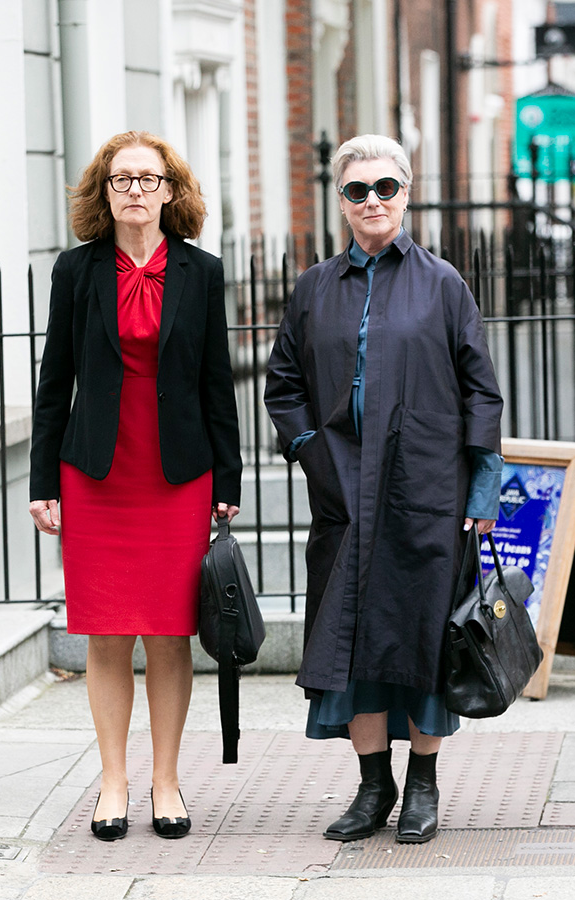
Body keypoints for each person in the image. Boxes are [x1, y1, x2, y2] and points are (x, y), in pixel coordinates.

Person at [264, 134, 503, 845]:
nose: (373, 201)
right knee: (351, 643)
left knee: (424, 640)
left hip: (426, 493)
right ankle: (374, 787)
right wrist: (309, 449)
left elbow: (481, 394)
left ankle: (423, 789)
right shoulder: (313, 289)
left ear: (407, 191)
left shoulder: (443, 285)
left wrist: (481, 495)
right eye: (357, 190)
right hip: (342, 494)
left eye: (386, 188)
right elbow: (284, 386)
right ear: (340, 200)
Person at [29, 130, 242, 842]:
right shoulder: (75, 271)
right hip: (96, 471)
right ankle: (114, 779)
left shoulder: (202, 272)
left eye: (149, 180)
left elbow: (218, 382)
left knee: (171, 632)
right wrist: (40, 481)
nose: (136, 192)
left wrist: (228, 476)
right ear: (104, 192)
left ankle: (167, 780)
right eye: (122, 180)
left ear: (172, 191)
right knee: (108, 633)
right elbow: (54, 380)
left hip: (177, 471)